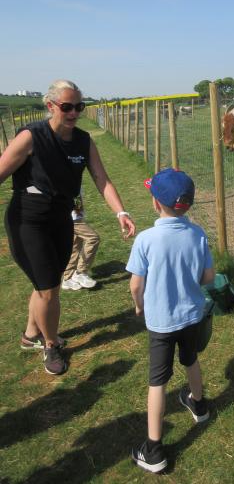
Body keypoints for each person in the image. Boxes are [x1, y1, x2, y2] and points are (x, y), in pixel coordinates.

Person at [0, 80, 135, 376]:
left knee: (47, 284)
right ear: (50, 106)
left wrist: (121, 212)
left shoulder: (83, 141)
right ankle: (51, 345)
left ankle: (30, 334)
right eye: (67, 107)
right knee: (49, 289)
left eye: (79, 106)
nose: (74, 113)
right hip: (29, 220)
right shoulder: (31, 137)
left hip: (62, 218)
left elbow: (101, 179)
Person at [127, 168, 215, 474]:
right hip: (192, 316)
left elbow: (136, 285)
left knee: (158, 381)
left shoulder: (146, 240)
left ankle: (153, 450)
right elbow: (208, 276)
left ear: (155, 203)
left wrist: (139, 305)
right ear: (188, 205)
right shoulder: (198, 234)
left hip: (161, 323)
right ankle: (199, 405)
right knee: (191, 359)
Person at [61, 192, 100, 290]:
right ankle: (80, 272)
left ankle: (67, 278)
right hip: (71, 217)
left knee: (75, 246)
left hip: (75, 216)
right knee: (93, 238)